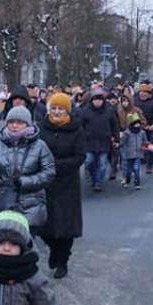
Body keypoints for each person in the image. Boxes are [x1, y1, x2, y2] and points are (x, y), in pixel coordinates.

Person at [0, 106, 56, 228]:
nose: (15, 126)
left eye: (20, 122)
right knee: (2, 242)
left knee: (26, 243)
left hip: (30, 204)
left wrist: (26, 182)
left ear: (27, 124)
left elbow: (49, 172)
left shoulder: (40, 146)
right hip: (2, 202)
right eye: (11, 122)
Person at [36, 94, 85, 279]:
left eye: (60, 109)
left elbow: (80, 157)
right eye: (54, 108)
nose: (56, 112)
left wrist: (56, 166)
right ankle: (53, 251)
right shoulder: (41, 128)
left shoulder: (76, 130)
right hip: (45, 183)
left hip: (67, 183)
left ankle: (62, 260)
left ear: (67, 111)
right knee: (44, 225)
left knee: (65, 227)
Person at [78, 89, 117, 192]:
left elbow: (114, 126)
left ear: (103, 101)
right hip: (89, 142)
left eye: (99, 100)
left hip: (104, 141)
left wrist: (116, 138)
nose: (97, 102)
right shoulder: (86, 111)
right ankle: (93, 177)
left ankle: (99, 182)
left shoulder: (109, 111)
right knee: (89, 161)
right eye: (95, 100)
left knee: (102, 163)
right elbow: (80, 126)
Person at [134, 84, 153, 169]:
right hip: (138, 127)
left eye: (146, 92)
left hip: (151, 127)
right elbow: (131, 113)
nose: (143, 94)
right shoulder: (135, 101)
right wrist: (135, 123)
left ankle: (150, 163)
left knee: (150, 145)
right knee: (137, 145)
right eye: (142, 92)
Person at [119, 114, 148, 189]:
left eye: (138, 123)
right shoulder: (127, 133)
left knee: (137, 168)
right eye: (135, 123)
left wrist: (147, 145)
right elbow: (123, 142)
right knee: (128, 170)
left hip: (139, 153)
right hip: (129, 154)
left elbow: (145, 141)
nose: (137, 125)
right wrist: (118, 145)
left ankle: (137, 183)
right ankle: (127, 180)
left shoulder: (142, 133)